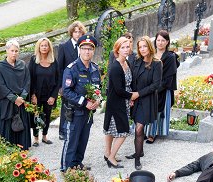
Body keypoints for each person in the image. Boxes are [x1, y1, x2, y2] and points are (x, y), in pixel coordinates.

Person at [60, 34, 102, 172]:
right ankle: (66, 168)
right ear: (79, 49)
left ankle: (77, 164)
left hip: (88, 114)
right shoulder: (72, 68)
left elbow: (98, 89)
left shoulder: (95, 69)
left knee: (83, 141)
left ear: (93, 51)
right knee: (71, 141)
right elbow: (66, 91)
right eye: (84, 48)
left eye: (90, 49)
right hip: (75, 112)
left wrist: (97, 100)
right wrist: (84, 102)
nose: (87, 51)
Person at [102, 36, 139, 169]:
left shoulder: (127, 63)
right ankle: (111, 158)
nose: (125, 49)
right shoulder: (115, 67)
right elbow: (118, 89)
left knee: (112, 129)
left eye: (127, 47)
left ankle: (108, 154)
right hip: (116, 102)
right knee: (123, 131)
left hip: (124, 100)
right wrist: (131, 96)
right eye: (122, 47)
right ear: (117, 50)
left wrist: (129, 98)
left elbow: (129, 83)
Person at [127, 35, 161, 170]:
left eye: (144, 46)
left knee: (139, 128)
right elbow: (133, 81)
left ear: (149, 46)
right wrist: (131, 97)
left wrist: (138, 94)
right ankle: (139, 150)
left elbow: (156, 85)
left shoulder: (157, 63)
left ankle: (137, 158)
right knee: (137, 126)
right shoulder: (136, 61)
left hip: (147, 100)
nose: (142, 49)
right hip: (136, 100)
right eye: (140, 47)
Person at [0, 40, 32, 149]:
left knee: (20, 125)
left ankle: (21, 149)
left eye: (16, 51)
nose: (14, 53)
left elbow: (27, 82)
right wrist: (14, 99)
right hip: (6, 102)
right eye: (12, 50)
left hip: (20, 102)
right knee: (6, 128)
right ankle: (4, 150)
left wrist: (22, 97)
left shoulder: (22, 65)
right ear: (7, 51)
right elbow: (0, 85)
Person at [145, 30, 179, 143]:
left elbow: (169, 77)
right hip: (150, 87)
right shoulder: (151, 54)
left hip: (163, 88)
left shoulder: (170, 57)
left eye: (163, 40)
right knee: (148, 108)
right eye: (158, 40)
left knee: (159, 110)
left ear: (167, 42)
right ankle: (146, 131)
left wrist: (157, 88)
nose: (160, 43)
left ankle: (153, 133)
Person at [56, 21, 86, 141]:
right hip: (67, 82)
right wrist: (60, 86)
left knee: (78, 105)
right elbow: (59, 68)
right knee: (65, 107)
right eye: (75, 31)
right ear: (71, 32)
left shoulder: (83, 46)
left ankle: (76, 130)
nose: (77, 34)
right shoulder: (64, 46)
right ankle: (62, 131)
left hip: (80, 82)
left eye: (79, 31)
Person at [29, 38, 60, 147]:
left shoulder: (54, 61)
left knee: (47, 115)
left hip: (49, 95)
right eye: (42, 45)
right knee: (35, 116)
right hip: (36, 95)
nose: (44, 47)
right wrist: (32, 94)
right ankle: (36, 138)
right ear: (39, 47)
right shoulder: (33, 61)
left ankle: (45, 136)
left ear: (49, 47)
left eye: (46, 45)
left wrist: (53, 96)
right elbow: (30, 79)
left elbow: (58, 80)